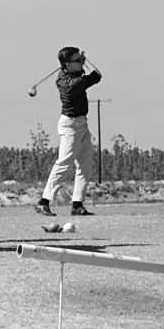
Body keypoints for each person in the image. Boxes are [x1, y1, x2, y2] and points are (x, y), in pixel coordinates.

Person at [36, 46, 102, 217]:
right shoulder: (72, 84)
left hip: (81, 124)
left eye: (81, 58)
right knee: (64, 163)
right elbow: (96, 76)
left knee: (85, 165)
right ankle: (44, 202)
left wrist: (80, 62)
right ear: (67, 64)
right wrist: (85, 65)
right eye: (77, 60)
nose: (81, 61)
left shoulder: (68, 74)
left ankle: (77, 205)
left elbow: (81, 74)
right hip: (70, 126)